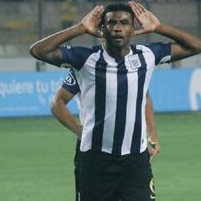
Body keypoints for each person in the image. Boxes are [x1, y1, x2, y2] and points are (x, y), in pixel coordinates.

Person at [29, 1, 201, 201]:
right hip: (95, 161)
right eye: (111, 23)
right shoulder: (85, 60)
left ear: (133, 29)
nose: (117, 28)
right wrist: (80, 28)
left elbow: (197, 47)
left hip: (135, 162)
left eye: (124, 23)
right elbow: (38, 51)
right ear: (102, 28)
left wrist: (159, 27)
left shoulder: (147, 56)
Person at [51, 69, 161, 199]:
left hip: (134, 154)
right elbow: (57, 103)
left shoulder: (135, 65)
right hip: (93, 155)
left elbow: (145, 95)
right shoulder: (85, 65)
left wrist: (152, 134)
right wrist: (80, 131)